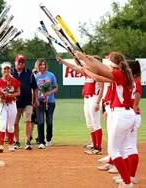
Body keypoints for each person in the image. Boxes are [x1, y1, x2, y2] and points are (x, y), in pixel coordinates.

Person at [75, 51, 136, 188]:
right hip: (126, 114)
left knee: (114, 151)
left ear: (113, 65)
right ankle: (126, 178)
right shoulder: (123, 74)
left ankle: (127, 183)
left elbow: (98, 71)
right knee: (123, 150)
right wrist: (90, 59)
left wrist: (84, 58)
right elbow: (99, 71)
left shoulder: (118, 75)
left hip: (120, 115)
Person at [56, 56, 104, 154]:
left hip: (94, 98)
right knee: (90, 124)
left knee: (96, 123)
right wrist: (62, 61)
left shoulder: (98, 73)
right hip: (87, 99)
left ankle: (98, 147)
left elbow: (102, 88)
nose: (89, 63)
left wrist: (98, 102)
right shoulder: (88, 73)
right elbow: (74, 67)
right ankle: (94, 146)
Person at [113, 59, 142, 184]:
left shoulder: (134, 82)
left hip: (132, 114)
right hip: (131, 114)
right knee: (127, 147)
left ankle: (131, 177)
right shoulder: (132, 81)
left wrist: (134, 119)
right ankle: (129, 176)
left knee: (130, 147)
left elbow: (135, 103)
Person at [11, 54, 38, 150]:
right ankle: (16, 141)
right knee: (14, 122)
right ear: (15, 62)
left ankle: (27, 141)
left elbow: (34, 87)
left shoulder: (29, 73)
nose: (20, 64)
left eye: (22, 62)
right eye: (19, 62)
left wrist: (35, 99)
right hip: (14, 102)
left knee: (28, 121)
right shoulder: (11, 73)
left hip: (27, 101)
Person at [0, 62, 20, 153]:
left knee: (11, 126)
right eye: (5, 69)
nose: (6, 70)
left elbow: (18, 92)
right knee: (3, 124)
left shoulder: (14, 81)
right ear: (2, 70)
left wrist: (11, 94)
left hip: (12, 104)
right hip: (2, 105)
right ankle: (1, 145)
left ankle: (11, 144)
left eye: (8, 69)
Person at [34, 58, 58, 149]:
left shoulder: (51, 75)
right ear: (37, 66)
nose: (42, 66)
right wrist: (35, 99)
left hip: (50, 101)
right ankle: (41, 141)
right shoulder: (36, 77)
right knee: (40, 121)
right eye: (40, 65)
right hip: (39, 101)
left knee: (49, 121)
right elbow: (34, 90)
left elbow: (56, 88)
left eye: (43, 64)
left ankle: (49, 138)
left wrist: (48, 93)